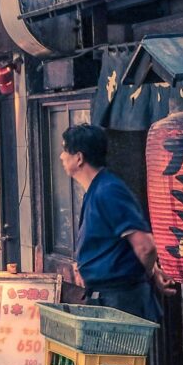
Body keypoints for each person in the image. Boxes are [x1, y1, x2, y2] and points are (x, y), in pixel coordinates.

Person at [60, 123, 173, 322]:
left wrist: (144, 274)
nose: (61, 156)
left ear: (79, 158)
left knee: (120, 354)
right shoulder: (95, 190)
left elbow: (146, 247)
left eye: (65, 150)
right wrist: (153, 271)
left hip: (122, 301)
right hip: (107, 298)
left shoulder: (109, 191)